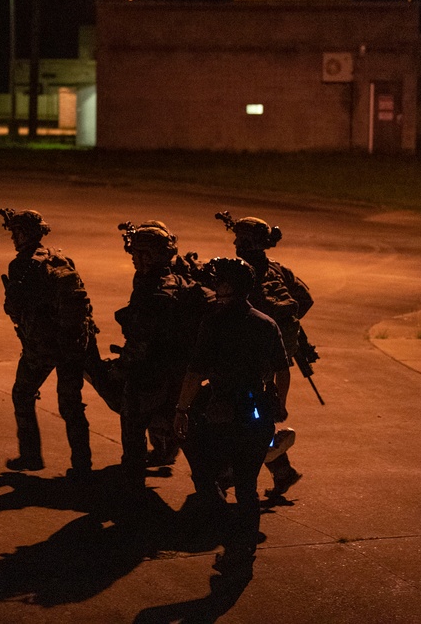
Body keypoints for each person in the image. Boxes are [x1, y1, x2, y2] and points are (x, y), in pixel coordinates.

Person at [173, 257, 290, 581]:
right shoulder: (266, 323)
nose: (217, 287)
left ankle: (221, 531)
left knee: (209, 474)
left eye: (221, 281)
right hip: (257, 414)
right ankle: (243, 547)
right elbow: (282, 370)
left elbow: (195, 373)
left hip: (222, 413)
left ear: (230, 286)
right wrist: (280, 405)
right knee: (248, 486)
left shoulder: (214, 322)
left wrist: (182, 410)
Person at [110, 221, 211, 491]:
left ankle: (132, 488)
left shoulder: (152, 291)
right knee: (181, 429)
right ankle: (208, 484)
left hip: (150, 373)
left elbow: (140, 341)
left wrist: (120, 368)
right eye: (135, 253)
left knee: (133, 428)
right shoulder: (181, 281)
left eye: (142, 253)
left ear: (156, 254)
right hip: (179, 372)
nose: (136, 258)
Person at [0, 208, 96, 479]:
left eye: (16, 233)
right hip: (72, 343)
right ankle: (82, 465)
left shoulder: (20, 265)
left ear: (25, 234)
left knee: (22, 393)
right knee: (71, 405)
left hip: (42, 347)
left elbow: (14, 308)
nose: (13, 239)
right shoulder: (62, 257)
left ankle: (31, 455)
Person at [223, 214, 313, 498]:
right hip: (276, 353)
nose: (236, 242)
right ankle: (281, 470)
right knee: (256, 408)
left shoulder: (242, 274)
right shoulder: (277, 269)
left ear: (249, 242)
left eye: (240, 238)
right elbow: (305, 299)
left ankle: (228, 472)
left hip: (253, 354)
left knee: (241, 409)